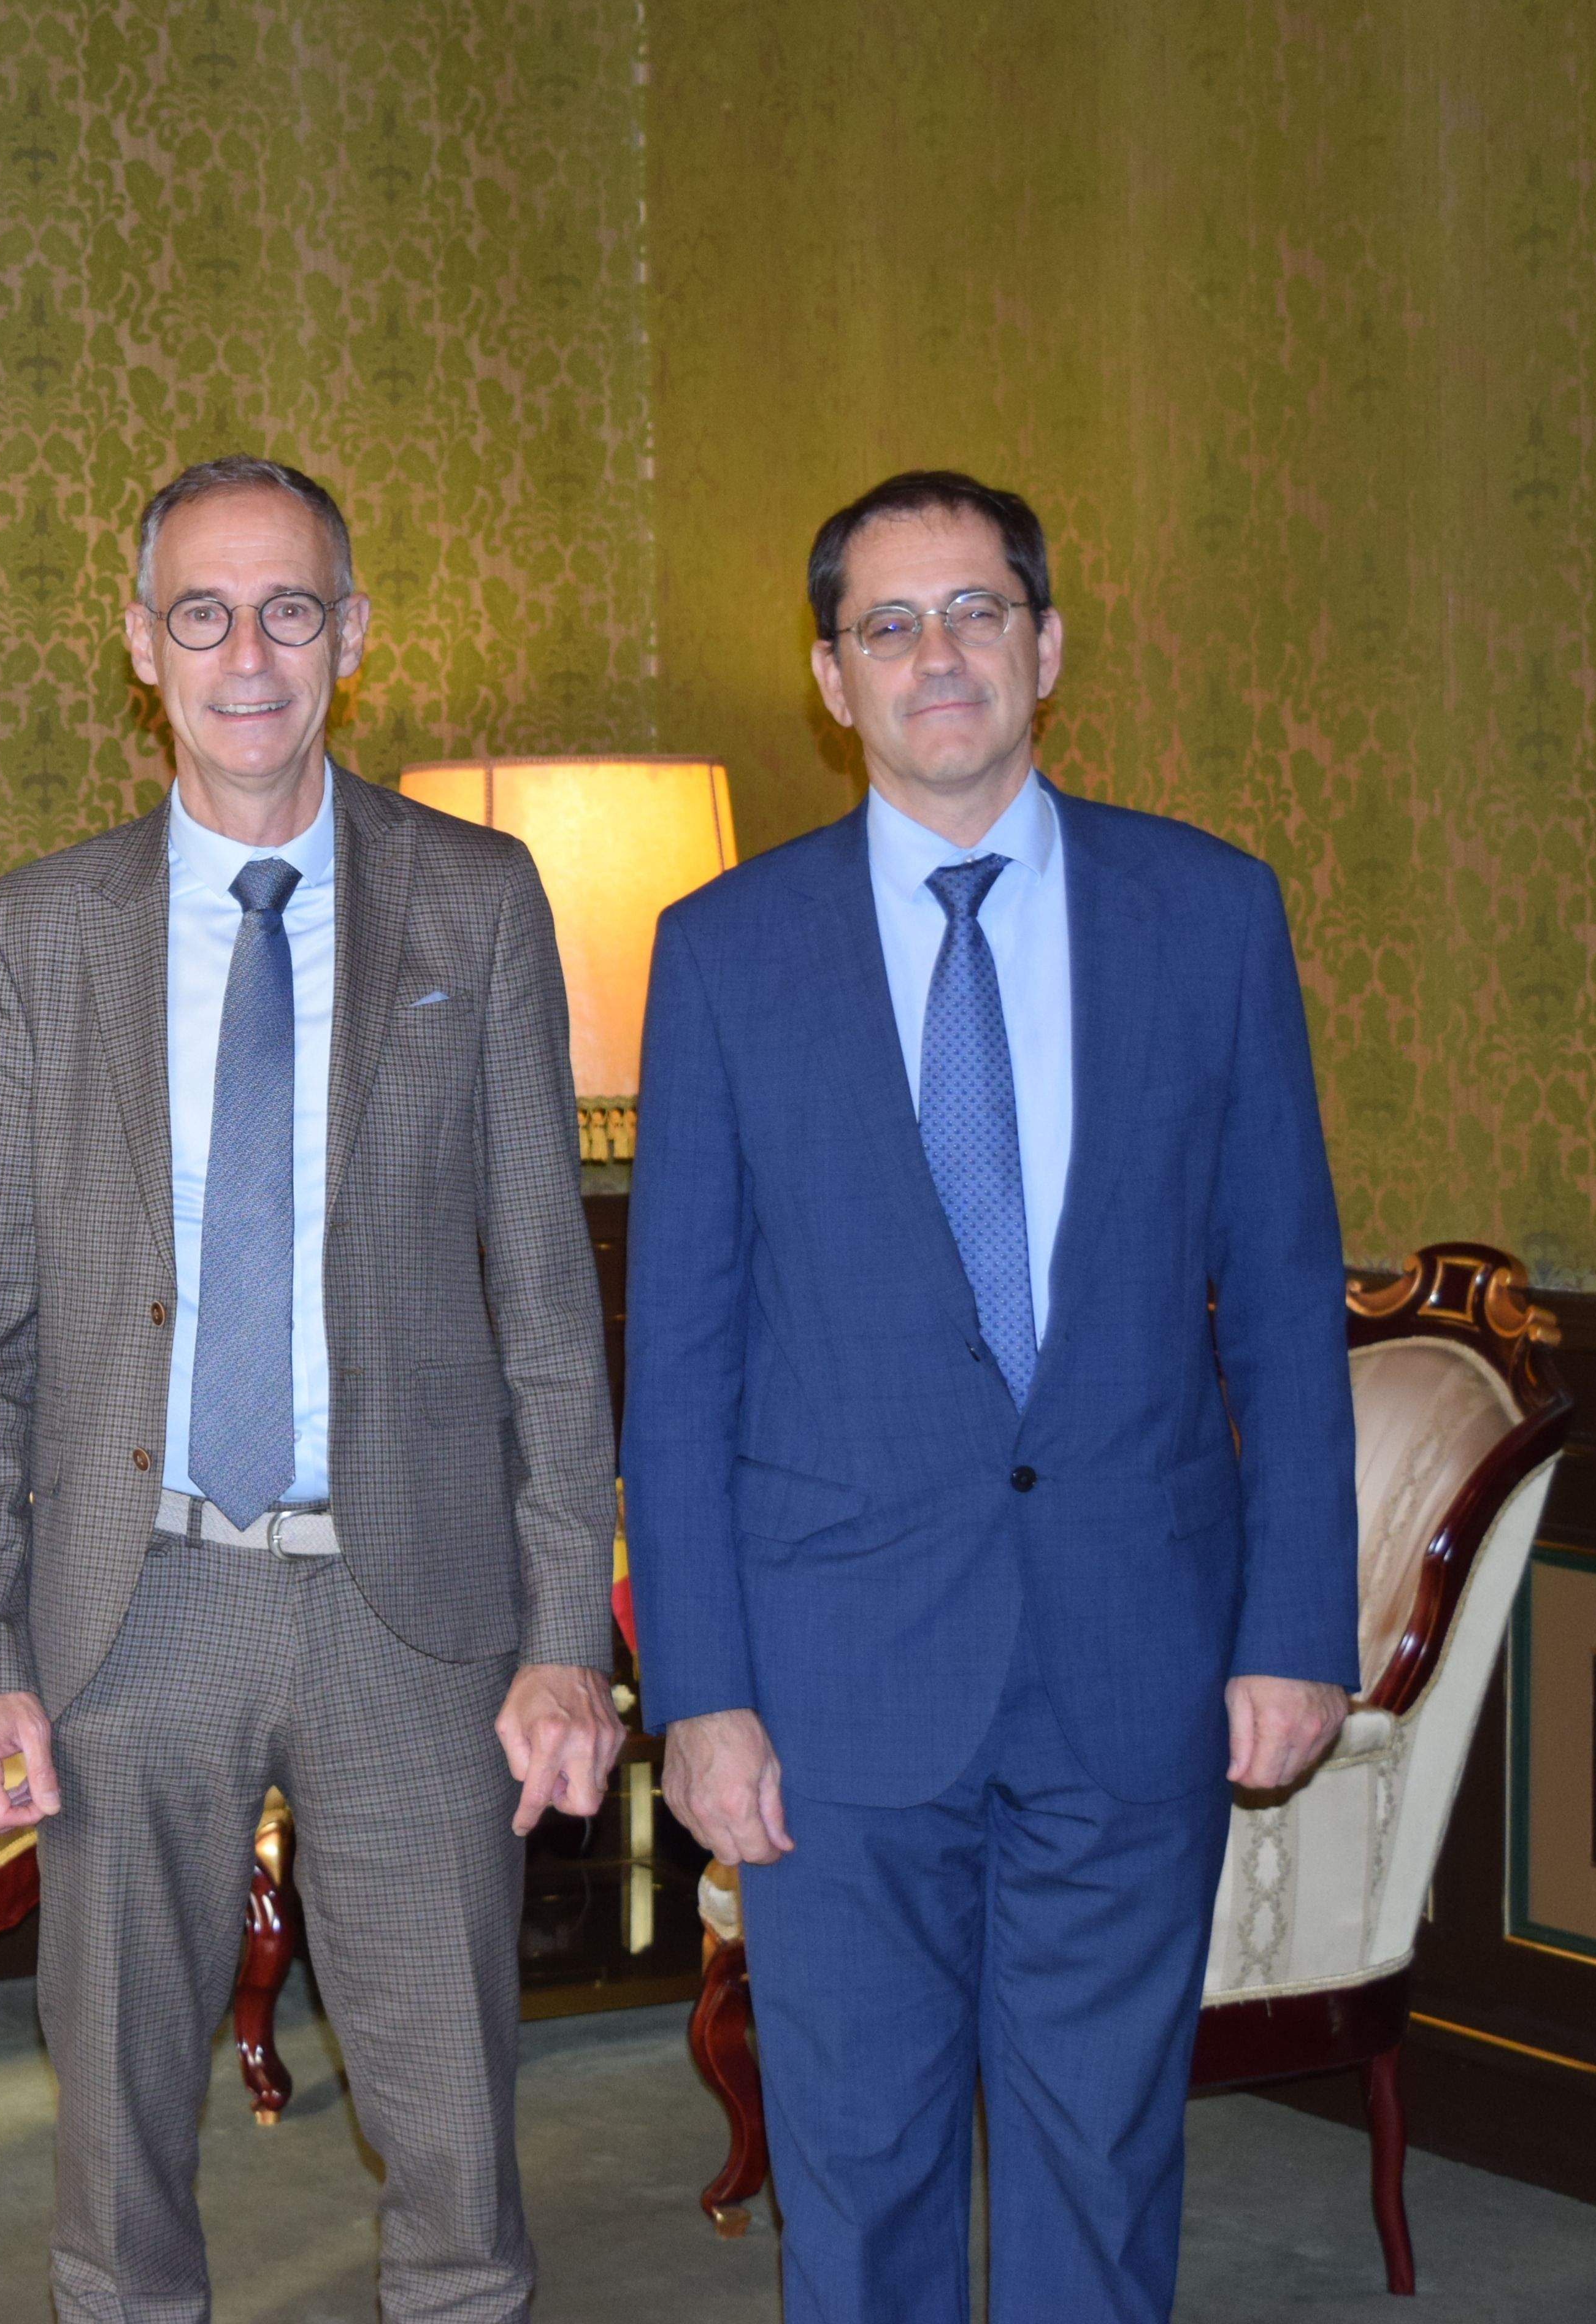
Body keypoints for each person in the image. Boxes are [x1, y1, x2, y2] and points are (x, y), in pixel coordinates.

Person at [625, 470, 1359, 2320]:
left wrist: (1294, 1632)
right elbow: (685, 1358)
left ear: (1046, 646)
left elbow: (1280, 1306)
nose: (937, 654)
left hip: (1135, 1661)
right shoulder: (723, 953)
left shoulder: (1211, 915)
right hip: (835, 1691)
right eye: (892, 624)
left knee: (1102, 2181)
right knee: (858, 2188)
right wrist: (699, 1695)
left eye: (974, 613)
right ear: (831, 678)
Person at [0, 455, 621, 2322]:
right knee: (118, 2154)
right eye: (206, 614)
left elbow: (547, 1300)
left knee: (459, 2140)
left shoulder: (475, 905)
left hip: (412, 1612)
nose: (250, 653)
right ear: (138, 644)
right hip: (127, 1602)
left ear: (354, 638)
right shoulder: (30, 936)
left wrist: (569, 1633)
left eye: (292, 609)